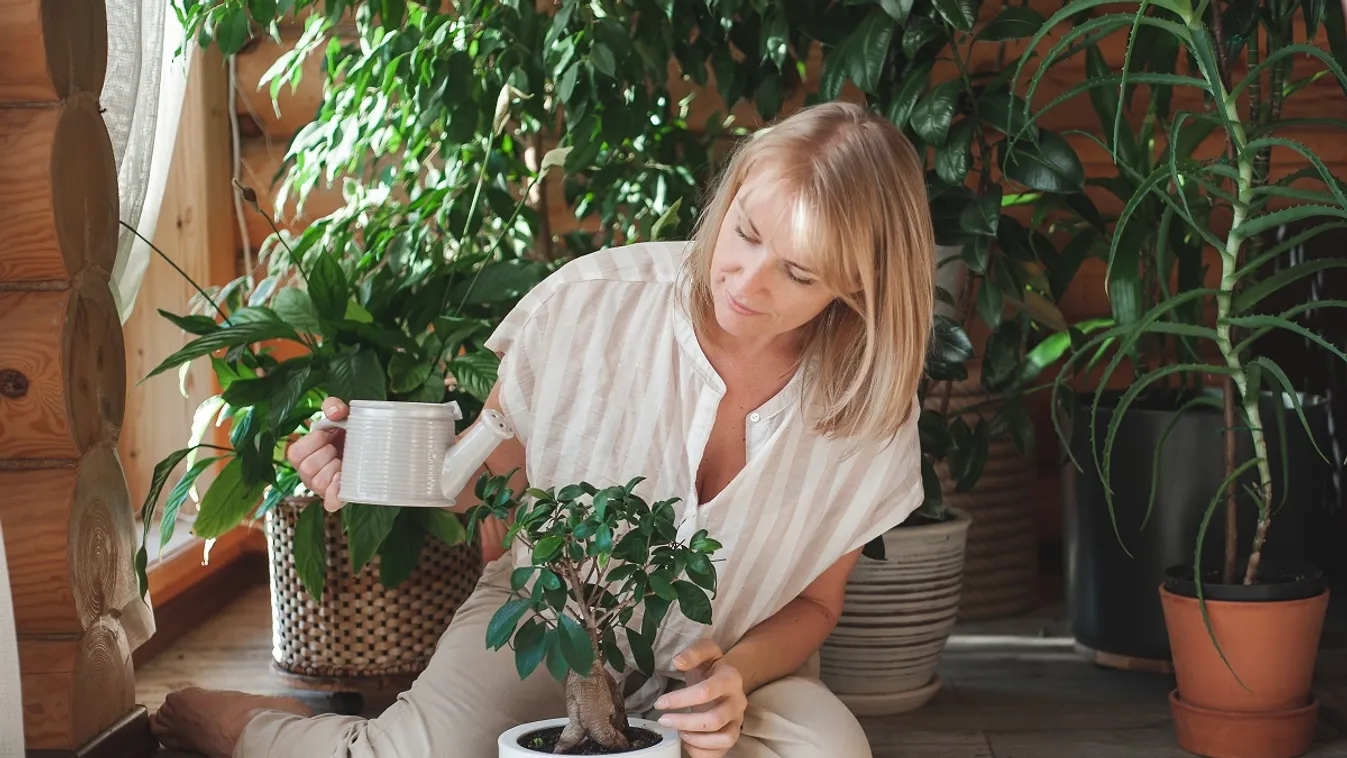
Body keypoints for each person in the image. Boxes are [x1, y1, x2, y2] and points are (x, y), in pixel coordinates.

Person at [149, 100, 933, 758]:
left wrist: (730, 674)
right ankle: (221, 717)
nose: (747, 281)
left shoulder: (868, 397)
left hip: (734, 656)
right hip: (551, 616)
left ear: (857, 287)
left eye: (798, 273)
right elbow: (484, 489)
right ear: (728, 199)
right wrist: (369, 463)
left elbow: (816, 607)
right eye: (746, 232)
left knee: (833, 749)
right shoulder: (591, 304)